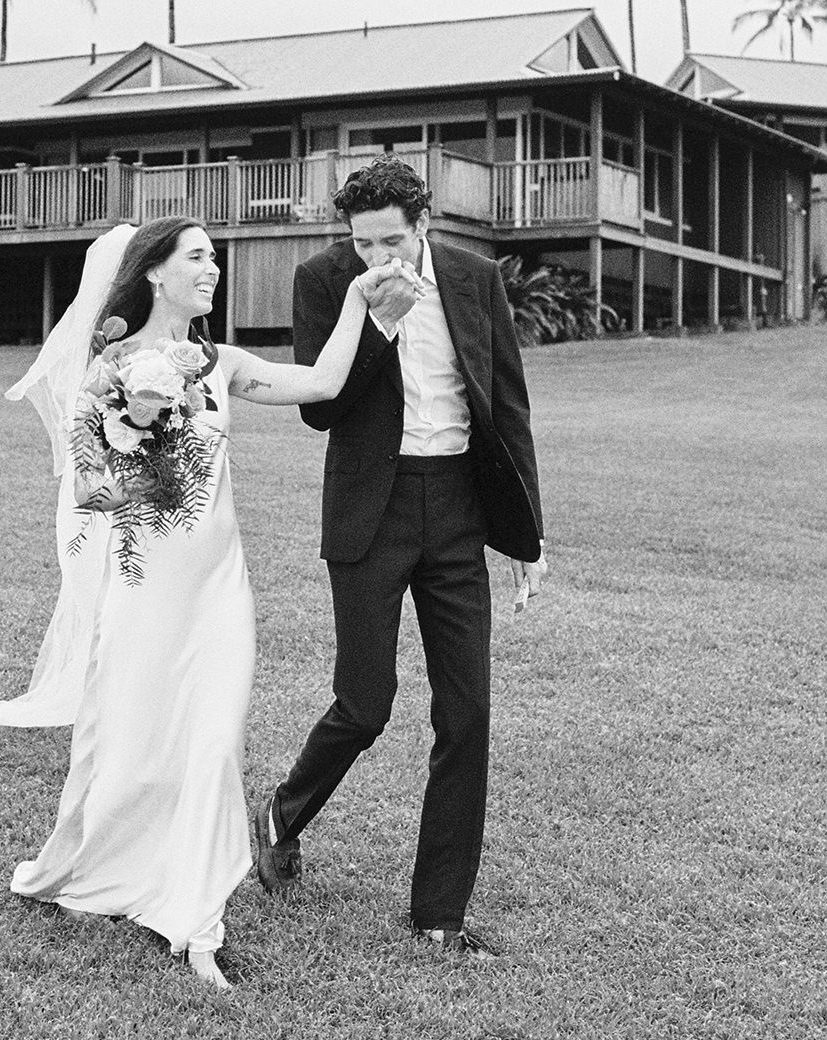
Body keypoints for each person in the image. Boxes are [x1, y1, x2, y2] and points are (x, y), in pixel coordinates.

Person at [0, 216, 410, 990]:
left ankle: (196, 917)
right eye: (199, 257)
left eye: (216, 258)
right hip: (146, 590)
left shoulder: (223, 363)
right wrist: (153, 468)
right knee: (130, 742)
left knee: (213, 741)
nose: (213, 268)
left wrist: (358, 305)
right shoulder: (106, 369)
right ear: (154, 272)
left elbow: (321, 384)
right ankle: (95, 862)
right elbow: (87, 486)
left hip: (220, 590)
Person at [254, 155, 548, 959]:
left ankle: (439, 915)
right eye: (362, 243)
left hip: (456, 509)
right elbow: (323, 409)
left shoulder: (475, 278)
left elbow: (507, 403)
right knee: (366, 702)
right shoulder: (325, 280)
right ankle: (281, 813)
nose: (375, 258)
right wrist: (377, 324)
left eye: (389, 241)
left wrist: (526, 535)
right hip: (370, 512)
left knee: (468, 713)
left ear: (424, 227)